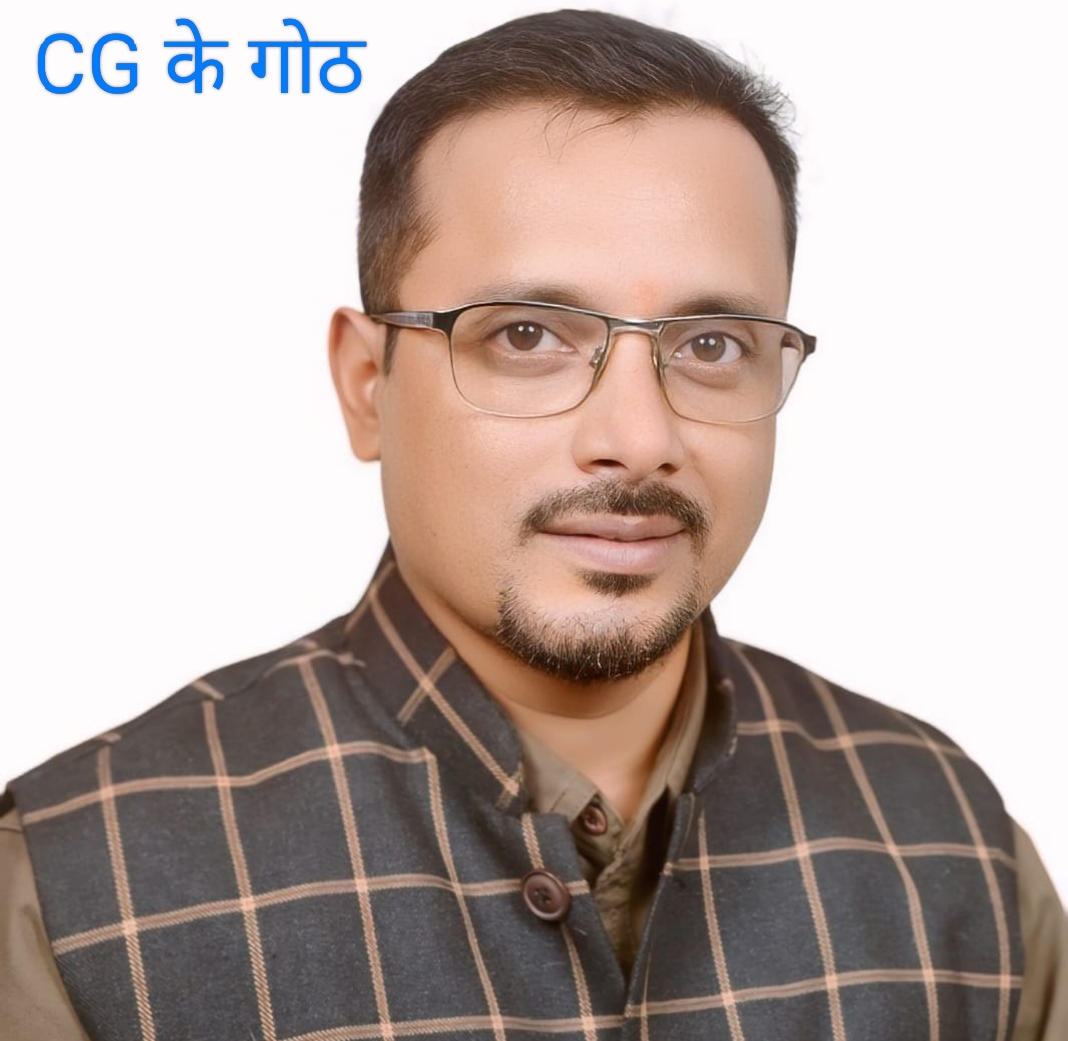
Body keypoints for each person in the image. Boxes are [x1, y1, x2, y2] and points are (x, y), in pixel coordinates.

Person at [2, 9, 1064, 1039]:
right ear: (368, 384)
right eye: (525, 335)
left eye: (711, 345)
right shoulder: (76, 893)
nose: (638, 438)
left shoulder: (954, 852)